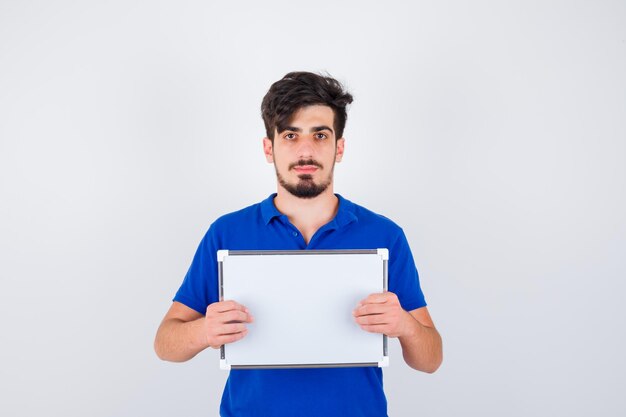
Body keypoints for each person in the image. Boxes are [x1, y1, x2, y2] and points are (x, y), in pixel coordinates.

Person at [154, 71, 443, 417]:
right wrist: (204, 331)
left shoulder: (385, 235)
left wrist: (405, 325)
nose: (305, 151)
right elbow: (165, 344)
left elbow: (430, 359)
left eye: (320, 135)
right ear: (268, 148)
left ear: (339, 148)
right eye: (290, 135)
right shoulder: (226, 233)